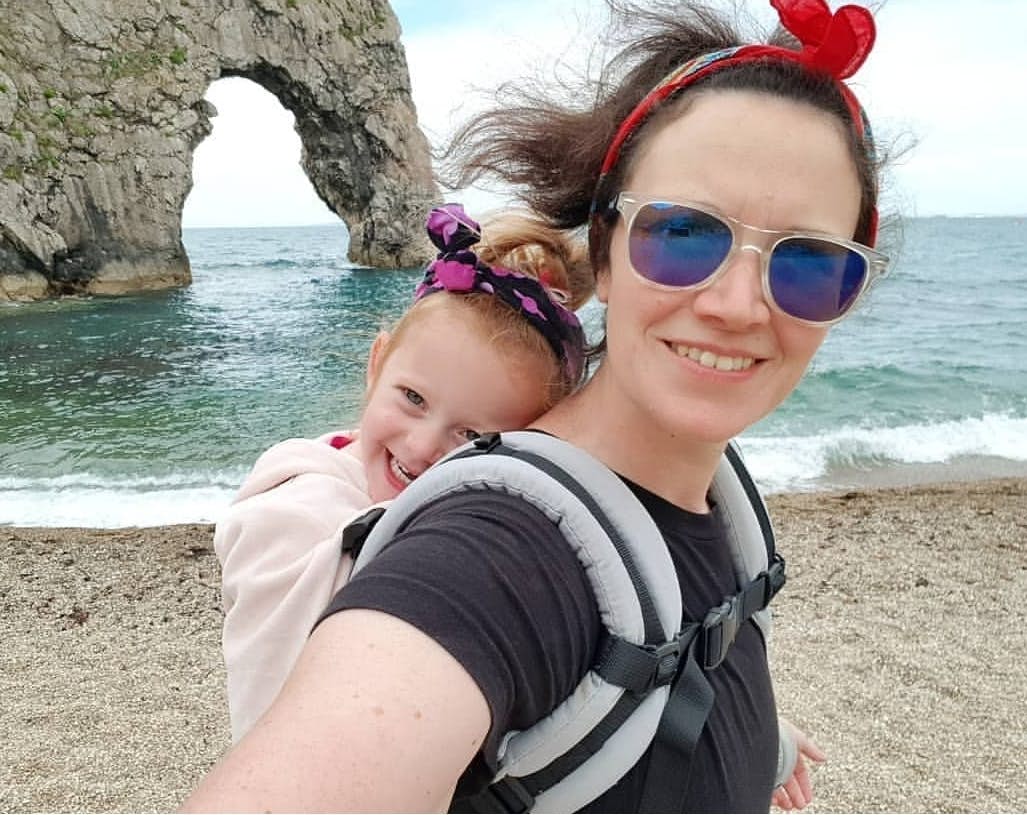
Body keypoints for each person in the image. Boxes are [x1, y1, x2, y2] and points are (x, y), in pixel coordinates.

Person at [182, 0, 890, 810]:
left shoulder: (724, 507)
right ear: (606, 253)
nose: (735, 304)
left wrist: (757, 741)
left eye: (807, 262)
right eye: (684, 234)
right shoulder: (496, 555)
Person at [214, 202, 589, 742]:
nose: (421, 446)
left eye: (471, 435)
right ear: (377, 363)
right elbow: (278, 720)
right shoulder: (296, 515)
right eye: (413, 398)